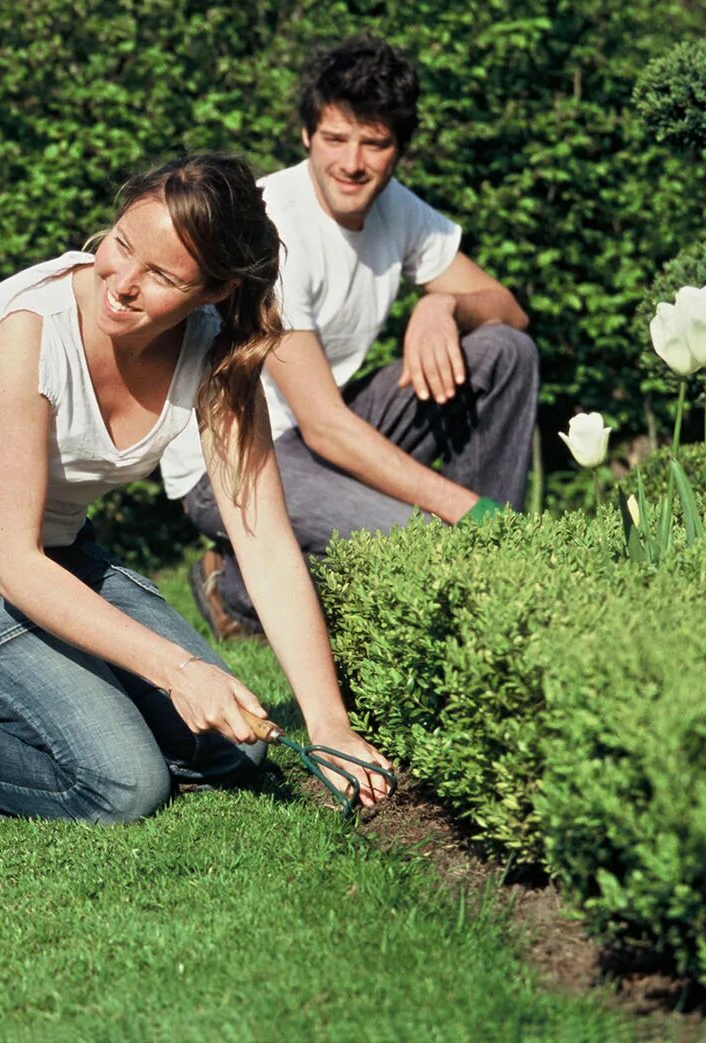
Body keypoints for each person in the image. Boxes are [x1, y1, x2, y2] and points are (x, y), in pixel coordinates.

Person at [0, 153, 392, 825]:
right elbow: (14, 565)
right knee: (121, 783)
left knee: (231, 752)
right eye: (121, 244)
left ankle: (30, 722)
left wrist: (330, 726)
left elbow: (264, 544)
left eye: (162, 275)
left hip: (53, 557)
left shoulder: (218, 356)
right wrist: (178, 670)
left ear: (214, 290)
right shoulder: (28, 332)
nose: (123, 282)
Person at [160, 36, 538, 640]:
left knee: (504, 351)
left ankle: (495, 564)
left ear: (400, 149)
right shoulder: (270, 225)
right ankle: (230, 585)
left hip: (321, 435)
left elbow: (510, 313)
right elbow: (324, 425)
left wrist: (442, 304)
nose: (353, 162)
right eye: (335, 139)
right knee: (419, 547)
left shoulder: (400, 210)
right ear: (307, 134)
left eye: (375, 142)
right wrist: (460, 510)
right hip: (231, 461)